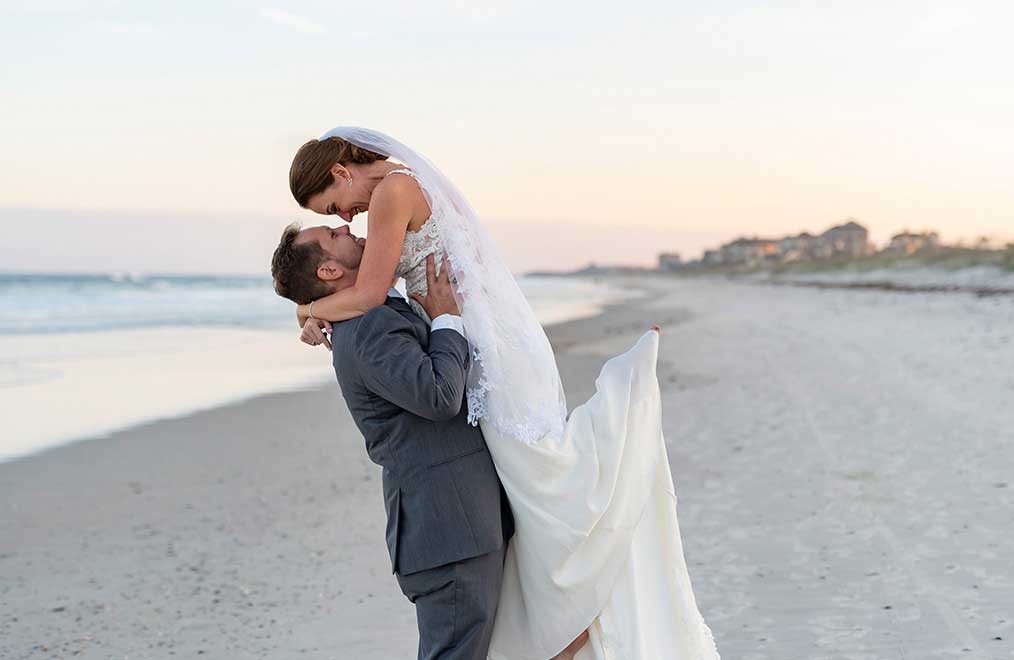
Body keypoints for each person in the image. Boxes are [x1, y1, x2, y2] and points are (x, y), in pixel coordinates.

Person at [284, 127, 720, 660]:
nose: (345, 218)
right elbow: (375, 297)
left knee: (541, 485)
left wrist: (310, 310)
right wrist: (312, 306)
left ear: (340, 171)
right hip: (481, 346)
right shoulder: (401, 189)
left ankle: (620, 427)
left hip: (480, 349)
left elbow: (372, 293)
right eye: (332, 220)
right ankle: (573, 621)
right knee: (534, 495)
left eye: (334, 206)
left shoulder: (393, 193)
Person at [272, 227, 519, 659]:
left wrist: (309, 309)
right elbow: (440, 397)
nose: (348, 227)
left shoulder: (372, 312)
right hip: (448, 529)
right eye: (334, 232)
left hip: (462, 518)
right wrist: (445, 319)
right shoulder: (368, 327)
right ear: (329, 269)